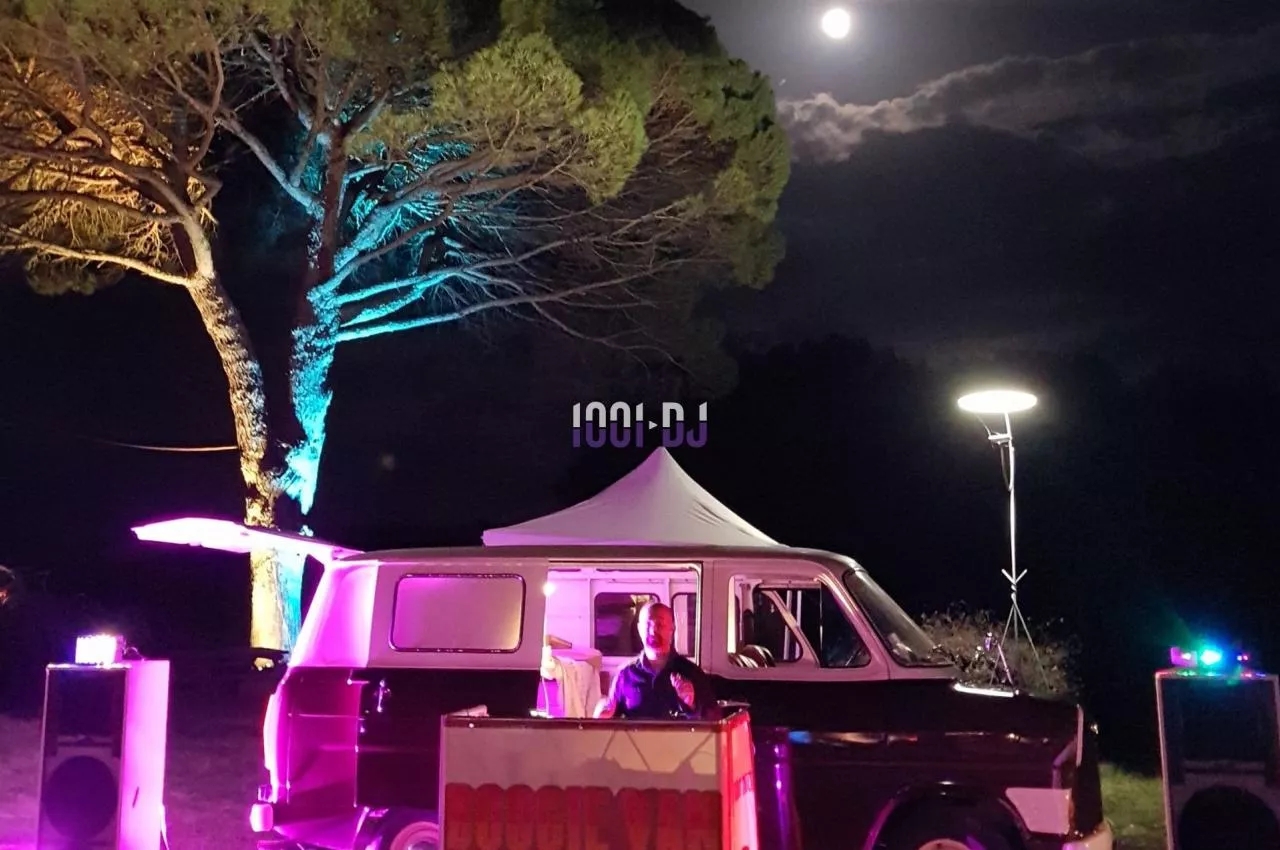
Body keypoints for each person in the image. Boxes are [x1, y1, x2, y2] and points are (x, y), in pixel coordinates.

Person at [593, 600, 715, 720]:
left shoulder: (692, 673)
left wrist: (691, 705)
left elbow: (713, 721)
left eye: (660, 625)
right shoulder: (625, 675)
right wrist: (601, 714)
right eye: (647, 625)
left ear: (672, 629)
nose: (653, 632)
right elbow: (609, 715)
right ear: (639, 629)